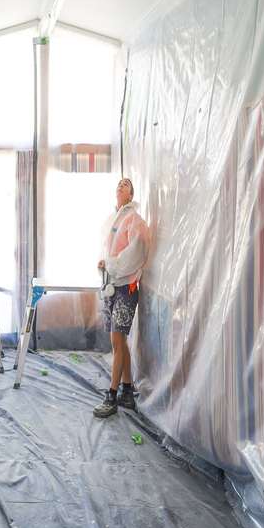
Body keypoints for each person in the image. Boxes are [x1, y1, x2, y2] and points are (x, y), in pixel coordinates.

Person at [93, 177, 150, 418]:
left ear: (131, 196)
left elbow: (134, 255)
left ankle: (111, 397)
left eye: (126, 184)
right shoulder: (110, 220)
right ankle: (127, 391)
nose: (121, 185)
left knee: (117, 343)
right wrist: (102, 265)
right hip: (112, 287)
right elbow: (105, 251)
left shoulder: (135, 221)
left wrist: (111, 265)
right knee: (120, 342)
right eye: (119, 183)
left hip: (126, 287)